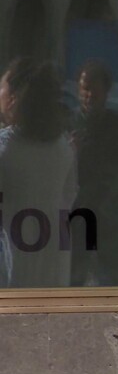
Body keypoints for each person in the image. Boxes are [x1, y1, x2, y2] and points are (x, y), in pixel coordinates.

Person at [70, 59, 118, 285]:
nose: (89, 96)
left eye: (95, 90)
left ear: (106, 91)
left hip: (113, 215)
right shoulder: (70, 121)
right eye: (85, 89)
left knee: (111, 281)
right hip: (78, 215)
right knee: (74, 279)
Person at [0, 58, 77, 288]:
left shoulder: (5, 147)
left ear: (13, 96)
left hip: (14, 265)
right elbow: (69, 196)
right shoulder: (64, 146)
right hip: (54, 261)